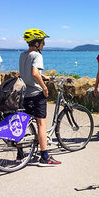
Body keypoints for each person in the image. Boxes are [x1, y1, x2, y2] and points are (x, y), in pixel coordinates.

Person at [19, 29, 61, 166]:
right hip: (36, 94)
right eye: (43, 41)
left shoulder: (22, 55)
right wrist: (44, 87)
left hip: (25, 93)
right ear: (36, 43)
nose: (44, 44)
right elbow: (34, 73)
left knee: (24, 123)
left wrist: (44, 76)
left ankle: (20, 153)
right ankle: (44, 156)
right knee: (41, 124)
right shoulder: (37, 55)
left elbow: (28, 73)